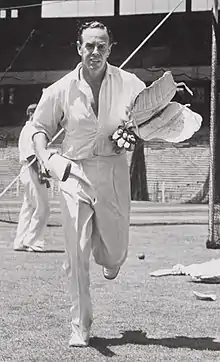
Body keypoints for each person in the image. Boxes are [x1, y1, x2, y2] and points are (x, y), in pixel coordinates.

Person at [31, 21, 146, 347]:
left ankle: (111, 258)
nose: (95, 52)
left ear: (110, 49)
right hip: (73, 173)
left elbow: (151, 114)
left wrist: (143, 128)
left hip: (112, 171)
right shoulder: (61, 89)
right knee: (76, 254)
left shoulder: (129, 83)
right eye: (89, 46)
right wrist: (45, 157)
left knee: (113, 253)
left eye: (101, 46)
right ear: (79, 48)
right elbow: (39, 127)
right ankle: (80, 325)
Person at [13, 103, 50, 252]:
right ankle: (32, 241)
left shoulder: (30, 129)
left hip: (29, 171)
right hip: (31, 169)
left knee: (28, 207)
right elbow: (30, 155)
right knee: (43, 208)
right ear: (30, 113)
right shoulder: (30, 130)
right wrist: (40, 173)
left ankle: (20, 241)